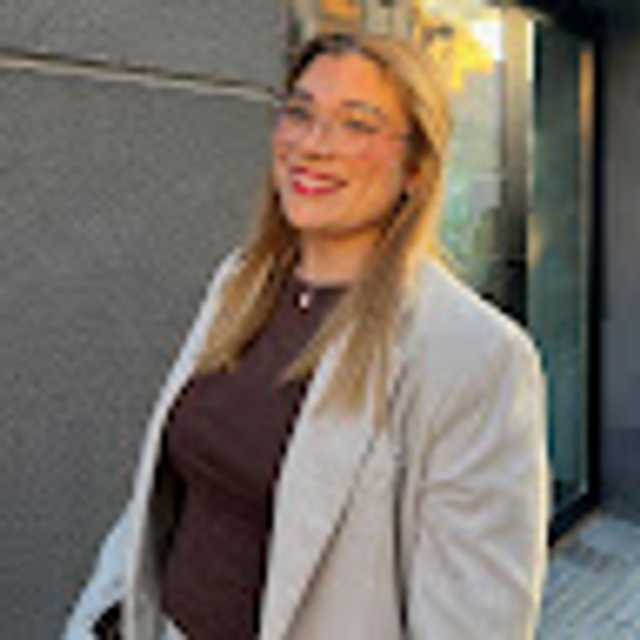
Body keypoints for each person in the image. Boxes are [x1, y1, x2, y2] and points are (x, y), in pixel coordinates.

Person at [63, 31, 550, 640]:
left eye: (357, 124)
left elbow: (474, 623)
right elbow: (164, 494)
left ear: (417, 170)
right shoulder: (241, 282)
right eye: (300, 113)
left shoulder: (473, 354)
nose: (313, 145)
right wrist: (105, 615)